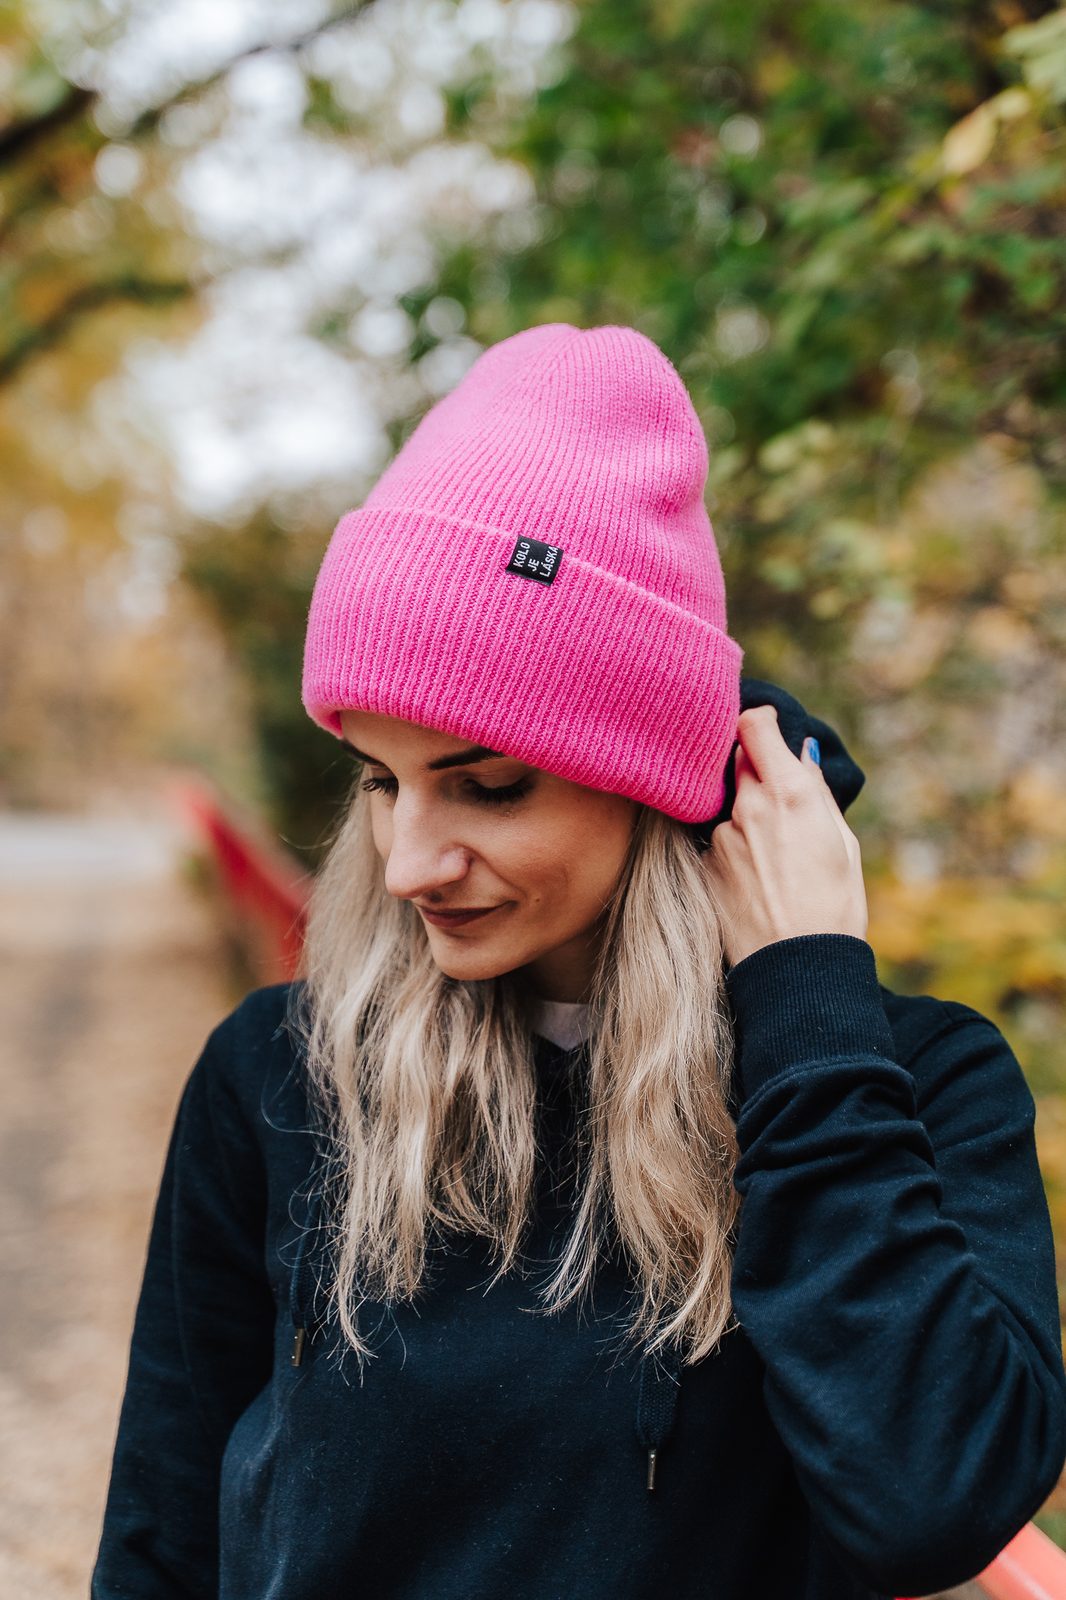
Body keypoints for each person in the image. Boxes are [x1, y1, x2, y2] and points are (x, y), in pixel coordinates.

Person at [92, 323, 1066, 1600]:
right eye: (381, 780)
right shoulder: (279, 1075)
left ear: (648, 781)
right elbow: (161, 1538)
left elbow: (931, 1502)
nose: (407, 863)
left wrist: (809, 999)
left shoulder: (912, 1086)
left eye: (487, 785)